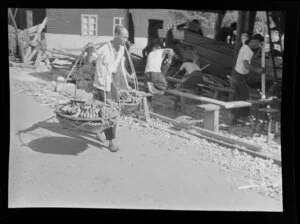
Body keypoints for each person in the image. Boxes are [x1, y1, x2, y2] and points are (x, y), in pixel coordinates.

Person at [85, 26, 133, 152]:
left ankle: (108, 136)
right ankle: (109, 139)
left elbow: (120, 67)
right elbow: (89, 60)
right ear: (116, 35)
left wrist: (126, 84)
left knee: (113, 111)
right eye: (125, 37)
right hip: (102, 83)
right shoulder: (103, 47)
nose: (126, 40)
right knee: (104, 110)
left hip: (114, 83)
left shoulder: (122, 48)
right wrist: (90, 51)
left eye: (127, 37)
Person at [231, 33, 265, 125]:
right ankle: (236, 119)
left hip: (240, 76)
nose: (258, 46)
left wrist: (260, 50)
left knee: (240, 97)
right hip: (239, 76)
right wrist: (257, 70)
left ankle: (236, 117)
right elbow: (246, 65)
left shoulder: (247, 49)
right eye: (258, 44)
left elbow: (251, 58)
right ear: (255, 41)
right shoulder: (246, 49)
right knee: (243, 98)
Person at [144, 43, 174, 110]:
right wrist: (170, 59)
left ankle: (149, 109)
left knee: (147, 92)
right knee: (164, 85)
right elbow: (170, 50)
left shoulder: (150, 54)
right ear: (158, 47)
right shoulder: (160, 50)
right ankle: (153, 89)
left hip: (146, 73)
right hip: (155, 72)